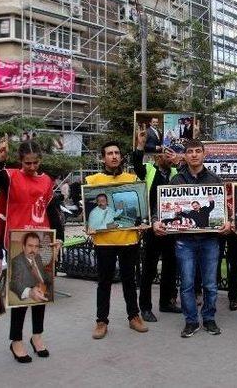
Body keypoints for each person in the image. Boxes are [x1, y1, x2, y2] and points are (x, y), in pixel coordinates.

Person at [0, 138, 64, 363]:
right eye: (27, 163)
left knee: (41, 292)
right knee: (20, 294)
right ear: (20, 161)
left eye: (35, 163)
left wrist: (59, 237)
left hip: (42, 241)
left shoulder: (46, 180)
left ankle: (37, 336)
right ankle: (16, 340)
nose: (32, 167)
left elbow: (52, 210)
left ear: (40, 160)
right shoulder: (11, 176)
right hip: (18, 241)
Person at [153, 139, 231, 338]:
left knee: (210, 284)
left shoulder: (214, 180)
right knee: (187, 283)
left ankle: (209, 318)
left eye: (198, 151)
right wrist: (156, 221)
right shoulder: (176, 180)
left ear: (204, 154)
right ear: (185, 155)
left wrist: (228, 222)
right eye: (190, 151)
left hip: (210, 240)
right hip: (184, 241)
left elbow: (224, 209)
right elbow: (162, 208)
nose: (194, 155)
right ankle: (191, 321)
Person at [87, 141, 149, 339]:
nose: (113, 156)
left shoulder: (132, 179)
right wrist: (88, 225)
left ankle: (134, 316)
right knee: (103, 282)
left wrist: (142, 223)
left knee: (129, 280)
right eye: (109, 153)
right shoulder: (92, 180)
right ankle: (101, 321)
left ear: (121, 157)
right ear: (102, 158)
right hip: (104, 241)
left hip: (128, 239)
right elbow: (89, 212)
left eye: (116, 153)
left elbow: (140, 208)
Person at [132, 128, 182, 323]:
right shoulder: (149, 170)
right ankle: (145, 307)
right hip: (153, 227)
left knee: (170, 266)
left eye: (169, 153)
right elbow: (136, 162)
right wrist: (140, 145)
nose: (167, 156)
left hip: (172, 227)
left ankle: (166, 302)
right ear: (156, 156)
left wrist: (179, 160)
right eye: (163, 153)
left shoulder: (177, 172)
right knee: (149, 269)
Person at [9, 232, 53, 303]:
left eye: (36, 246)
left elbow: (43, 275)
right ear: (23, 247)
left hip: (45, 289)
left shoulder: (38, 257)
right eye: (30, 246)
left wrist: (51, 277)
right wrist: (30, 292)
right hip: (35, 291)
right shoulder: (17, 261)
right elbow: (14, 283)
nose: (33, 250)